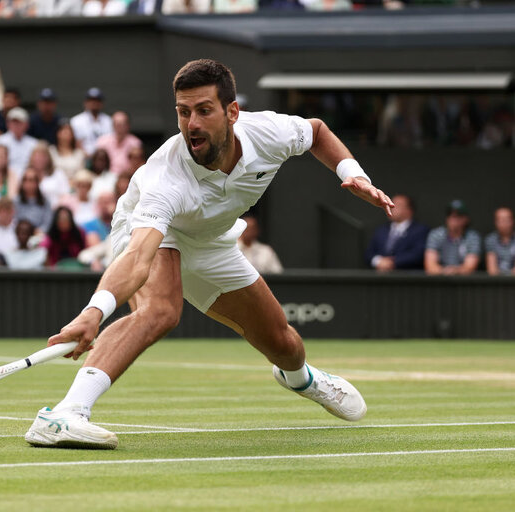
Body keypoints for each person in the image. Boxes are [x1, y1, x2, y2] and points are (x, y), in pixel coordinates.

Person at [24, 59, 393, 449]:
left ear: (232, 112)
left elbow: (316, 131)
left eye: (203, 110)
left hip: (212, 240)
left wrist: (353, 174)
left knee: (283, 343)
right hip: (156, 232)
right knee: (160, 311)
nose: (192, 124)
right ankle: (66, 413)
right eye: (183, 112)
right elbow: (137, 258)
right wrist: (93, 313)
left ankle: (301, 379)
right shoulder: (166, 178)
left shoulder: (268, 133)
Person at [365, 194, 429, 272]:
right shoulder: (381, 230)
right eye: (390, 203)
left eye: (397, 205)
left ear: (409, 210)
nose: (391, 207)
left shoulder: (420, 230)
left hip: (407, 276)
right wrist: (378, 261)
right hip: (380, 276)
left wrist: (392, 262)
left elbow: (418, 254)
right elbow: (369, 253)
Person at [425, 200, 481, 276]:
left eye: (458, 215)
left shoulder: (472, 237)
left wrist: (454, 271)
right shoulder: (436, 235)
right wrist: (444, 271)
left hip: (464, 281)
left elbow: (469, 267)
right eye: (450, 214)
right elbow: (430, 266)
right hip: (438, 279)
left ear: (466, 219)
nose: (453, 218)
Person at [0, 107, 38, 178]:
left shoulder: (34, 144)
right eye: (13, 122)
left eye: (19, 122)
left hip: (29, 180)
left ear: (27, 124)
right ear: (7, 123)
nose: (16, 125)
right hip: (5, 179)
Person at [95, 110, 142, 175]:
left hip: (127, 176)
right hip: (105, 175)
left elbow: (137, 163)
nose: (119, 127)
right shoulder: (102, 141)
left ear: (128, 125)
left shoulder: (135, 143)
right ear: (112, 125)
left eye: (122, 124)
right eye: (117, 124)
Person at [70, 87, 112, 157]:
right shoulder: (76, 121)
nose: (94, 103)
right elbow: (75, 144)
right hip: (83, 158)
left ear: (102, 103)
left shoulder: (109, 121)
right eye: (91, 100)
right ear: (85, 102)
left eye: (97, 100)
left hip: (105, 159)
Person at [31, 143, 69, 207]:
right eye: (37, 157)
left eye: (42, 156)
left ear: (48, 158)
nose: (39, 159)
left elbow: (66, 194)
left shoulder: (58, 174)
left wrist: (57, 208)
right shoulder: (27, 175)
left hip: (56, 208)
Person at [15, 168, 53, 233]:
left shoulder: (45, 202)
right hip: (19, 234)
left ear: (37, 183)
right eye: (25, 180)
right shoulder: (16, 201)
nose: (27, 183)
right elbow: (13, 221)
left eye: (31, 180)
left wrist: (39, 231)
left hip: (38, 234)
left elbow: (47, 223)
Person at [485, 206, 515, 276]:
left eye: (507, 219)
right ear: (496, 222)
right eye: (501, 220)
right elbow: (492, 270)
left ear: (512, 221)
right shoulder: (490, 239)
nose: (504, 223)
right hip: (496, 281)